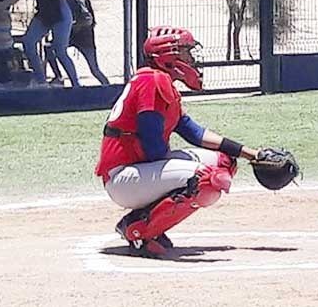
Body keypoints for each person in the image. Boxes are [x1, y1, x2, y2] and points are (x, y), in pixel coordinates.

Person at [96, 26, 266, 258]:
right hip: (123, 177)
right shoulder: (151, 81)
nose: (192, 59)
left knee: (224, 162)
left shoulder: (159, 81)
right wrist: (186, 171)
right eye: (186, 52)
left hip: (140, 170)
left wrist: (250, 153)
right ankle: (139, 230)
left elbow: (194, 132)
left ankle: (148, 222)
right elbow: (153, 147)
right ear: (169, 57)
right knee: (205, 179)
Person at [46, 0, 109, 85]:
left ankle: (108, 88)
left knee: (94, 69)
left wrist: (74, 25)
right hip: (72, 36)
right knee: (50, 48)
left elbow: (88, 19)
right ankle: (59, 76)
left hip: (84, 38)